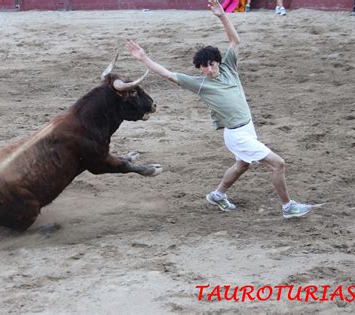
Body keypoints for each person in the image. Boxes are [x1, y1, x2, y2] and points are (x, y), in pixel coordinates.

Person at [126, 0, 318, 218]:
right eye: (203, 67)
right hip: (236, 134)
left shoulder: (229, 68)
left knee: (242, 165)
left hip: (247, 128)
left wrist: (222, 16)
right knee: (278, 164)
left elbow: (235, 40)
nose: (209, 69)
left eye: (211, 64)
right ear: (199, 69)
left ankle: (217, 195)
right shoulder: (200, 84)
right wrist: (143, 58)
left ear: (218, 62)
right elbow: (168, 74)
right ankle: (288, 207)